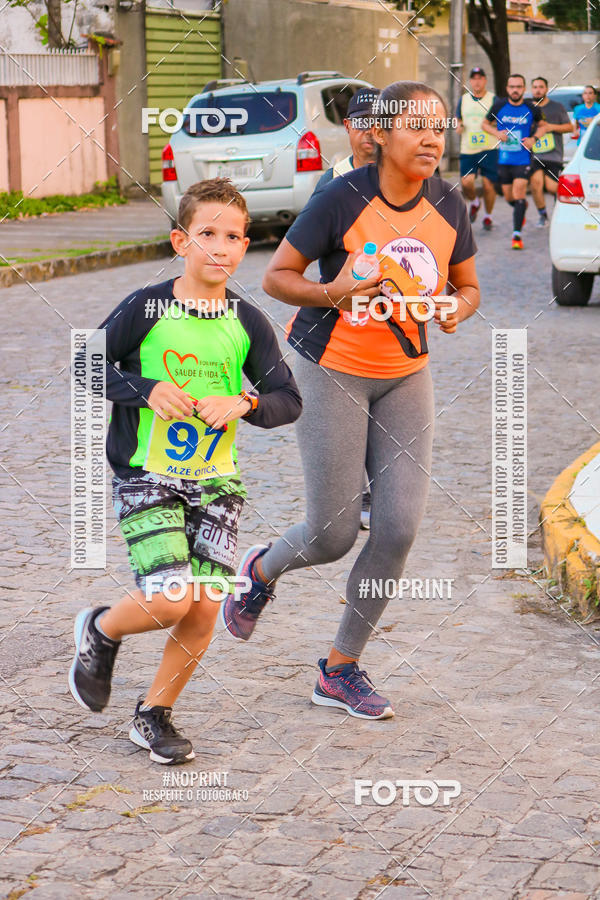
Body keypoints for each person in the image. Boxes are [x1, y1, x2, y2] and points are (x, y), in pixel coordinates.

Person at [220, 81, 480, 720]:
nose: (430, 138)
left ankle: (341, 668)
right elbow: (275, 277)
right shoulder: (341, 197)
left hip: (406, 374)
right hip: (331, 368)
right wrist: (337, 291)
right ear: (383, 135)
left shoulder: (448, 201)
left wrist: (453, 308)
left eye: (439, 127)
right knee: (333, 534)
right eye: (416, 125)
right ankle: (260, 571)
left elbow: (469, 287)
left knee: (396, 527)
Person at [68, 178, 302, 764]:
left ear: (244, 245)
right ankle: (101, 627)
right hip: (147, 472)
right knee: (171, 599)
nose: (219, 248)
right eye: (206, 235)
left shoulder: (247, 321)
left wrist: (244, 404)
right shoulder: (146, 307)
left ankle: (153, 716)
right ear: (181, 240)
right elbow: (86, 366)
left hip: (217, 482)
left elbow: (288, 399)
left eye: (232, 237)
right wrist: (144, 389)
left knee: (202, 607)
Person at [314, 86, 381, 530]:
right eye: (361, 125)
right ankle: (355, 492)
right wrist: (322, 297)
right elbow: (305, 252)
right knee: (349, 411)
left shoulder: (404, 181)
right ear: (347, 127)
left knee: (386, 410)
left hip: (391, 320)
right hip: (341, 319)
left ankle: (380, 491)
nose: (370, 135)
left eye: (380, 125)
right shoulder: (331, 182)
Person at [482, 73, 543, 250]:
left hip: (523, 159)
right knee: (509, 196)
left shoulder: (532, 108)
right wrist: (497, 134)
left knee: (519, 191)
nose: (515, 90)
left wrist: (534, 139)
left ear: (524, 89)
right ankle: (520, 207)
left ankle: (517, 235)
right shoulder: (499, 105)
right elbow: (485, 124)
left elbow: (544, 126)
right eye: (512, 87)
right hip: (504, 159)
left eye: (519, 87)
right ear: (507, 88)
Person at [455, 65, 498, 230]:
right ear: (471, 81)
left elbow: (499, 119)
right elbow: (458, 118)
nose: (477, 81)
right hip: (468, 149)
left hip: (489, 148)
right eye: (474, 78)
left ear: (485, 80)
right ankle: (474, 201)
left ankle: (488, 216)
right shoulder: (463, 99)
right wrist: (458, 125)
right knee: (466, 183)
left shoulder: (493, 99)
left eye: (480, 78)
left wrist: (492, 123)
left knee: (488, 185)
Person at [529, 76, 574, 227]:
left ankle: (559, 209)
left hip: (553, 154)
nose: (538, 90)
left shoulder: (557, 107)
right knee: (536, 183)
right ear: (531, 89)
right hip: (534, 154)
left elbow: (569, 127)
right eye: (535, 87)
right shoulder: (527, 107)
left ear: (547, 89)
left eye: (541, 87)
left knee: (551, 187)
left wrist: (550, 127)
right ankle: (543, 215)